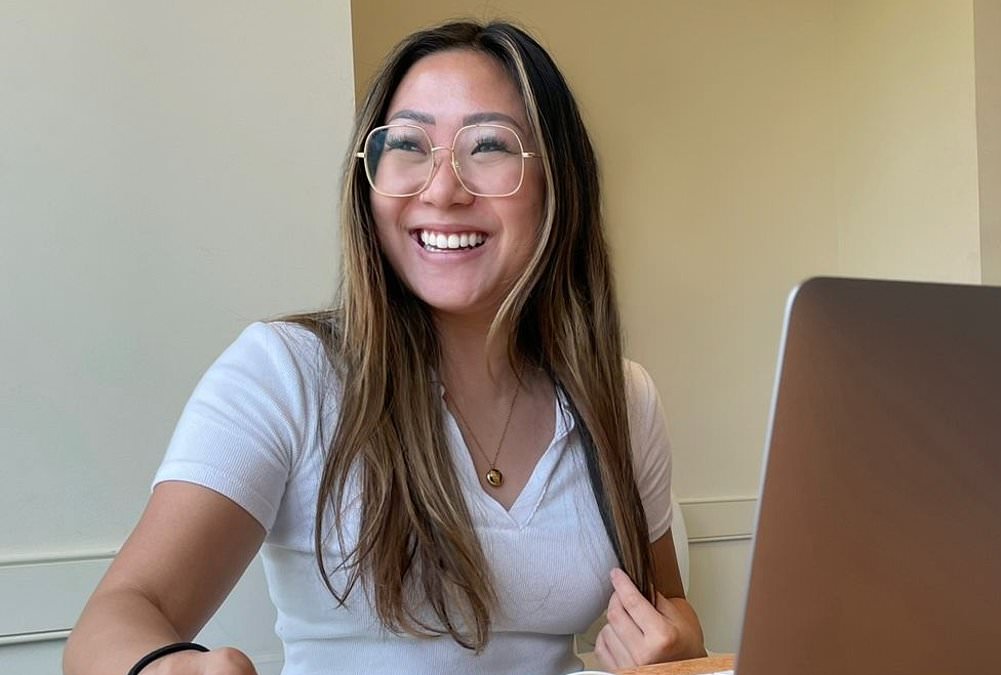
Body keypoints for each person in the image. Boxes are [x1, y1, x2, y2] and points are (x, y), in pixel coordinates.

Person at [63, 19, 705, 675]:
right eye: (407, 145)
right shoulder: (285, 373)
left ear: (559, 182)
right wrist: (168, 668)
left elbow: (669, 606)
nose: (443, 188)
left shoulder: (622, 399)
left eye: (489, 146)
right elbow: (116, 618)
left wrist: (678, 644)